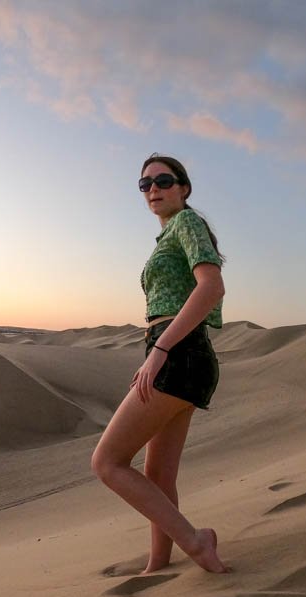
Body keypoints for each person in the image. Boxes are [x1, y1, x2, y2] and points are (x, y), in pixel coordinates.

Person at [91, 153, 229, 574]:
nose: (153, 189)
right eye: (145, 184)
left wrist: (160, 350)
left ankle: (195, 542)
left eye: (163, 181)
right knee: (159, 475)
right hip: (185, 353)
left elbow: (212, 287)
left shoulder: (186, 223)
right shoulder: (170, 234)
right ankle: (158, 564)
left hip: (177, 350)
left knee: (108, 462)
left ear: (183, 188)